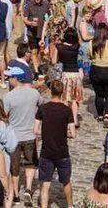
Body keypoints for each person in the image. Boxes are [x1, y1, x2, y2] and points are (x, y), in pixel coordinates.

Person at [2, 65, 40, 205]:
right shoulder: (34, 93)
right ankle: (28, 189)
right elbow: (40, 106)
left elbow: (4, 115)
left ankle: (16, 194)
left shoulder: (9, 97)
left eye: (9, 77)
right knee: (30, 164)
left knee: (14, 167)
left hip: (14, 137)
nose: (7, 79)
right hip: (30, 135)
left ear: (16, 79)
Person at [34, 80, 75, 208]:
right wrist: (63, 132)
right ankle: (70, 205)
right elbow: (73, 133)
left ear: (50, 91)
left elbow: (35, 130)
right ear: (62, 92)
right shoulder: (67, 110)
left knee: (45, 184)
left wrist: (47, 132)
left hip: (46, 152)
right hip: (62, 152)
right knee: (66, 182)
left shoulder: (43, 108)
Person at [50, 28, 83, 127]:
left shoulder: (59, 47)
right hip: (76, 75)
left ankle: (64, 120)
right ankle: (75, 119)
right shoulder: (77, 46)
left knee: (64, 98)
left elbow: (54, 61)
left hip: (65, 74)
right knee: (74, 99)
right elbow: (80, 40)